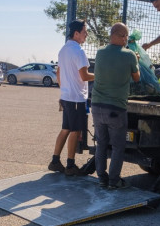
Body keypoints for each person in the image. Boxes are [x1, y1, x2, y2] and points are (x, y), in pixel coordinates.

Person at [92, 23, 140, 190]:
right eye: (126, 36)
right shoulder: (130, 55)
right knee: (118, 146)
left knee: (101, 143)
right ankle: (114, 180)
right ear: (121, 36)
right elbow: (137, 78)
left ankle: (101, 178)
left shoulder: (99, 53)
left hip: (97, 106)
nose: (127, 40)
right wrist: (136, 61)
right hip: (116, 108)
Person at [50, 19, 94, 176]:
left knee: (65, 129)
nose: (86, 34)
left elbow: (58, 72)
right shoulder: (79, 51)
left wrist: (64, 90)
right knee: (75, 131)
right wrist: (101, 76)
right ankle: (70, 165)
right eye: (84, 32)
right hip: (77, 98)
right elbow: (84, 75)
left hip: (67, 96)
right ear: (76, 34)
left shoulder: (63, 50)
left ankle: (55, 161)